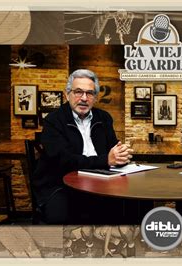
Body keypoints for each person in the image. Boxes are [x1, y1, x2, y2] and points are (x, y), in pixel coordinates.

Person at [32, 69, 133, 224]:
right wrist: (106, 159)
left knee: (129, 208)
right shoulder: (53, 120)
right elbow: (63, 160)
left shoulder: (104, 118)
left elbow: (113, 150)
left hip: (99, 182)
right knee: (61, 217)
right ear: (67, 94)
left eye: (90, 93)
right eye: (78, 92)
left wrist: (121, 155)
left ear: (95, 97)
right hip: (59, 184)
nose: (84, 98)